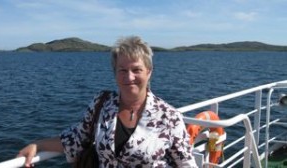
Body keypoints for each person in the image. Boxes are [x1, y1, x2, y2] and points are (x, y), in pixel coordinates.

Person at [18, 36, 198, 167]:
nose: (129, 77)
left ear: (149, 71)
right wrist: (38, 145)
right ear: (115, 72)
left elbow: (186, 164)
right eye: (122, 70)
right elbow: (77, 139)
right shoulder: (102, 104)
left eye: (136, 69)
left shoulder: (169, 117)